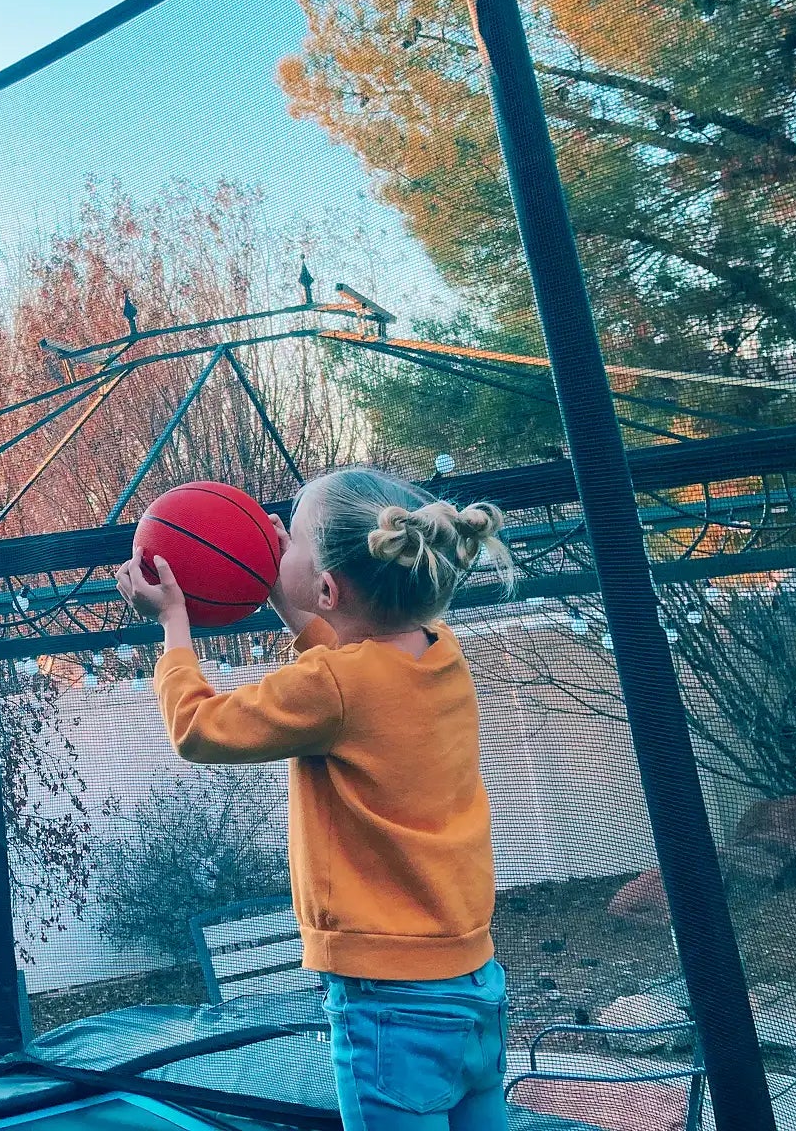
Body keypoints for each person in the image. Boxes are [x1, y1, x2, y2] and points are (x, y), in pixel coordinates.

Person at [116, 466, 513, 1131]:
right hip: (473, 982)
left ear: (328, 588)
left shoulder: (332, 686)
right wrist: (285, 591)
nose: (277, 549)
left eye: (289, 544)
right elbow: (351, 650)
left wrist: (174, 626)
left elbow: (198, 729)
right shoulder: (441, 653)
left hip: (390, 1004)